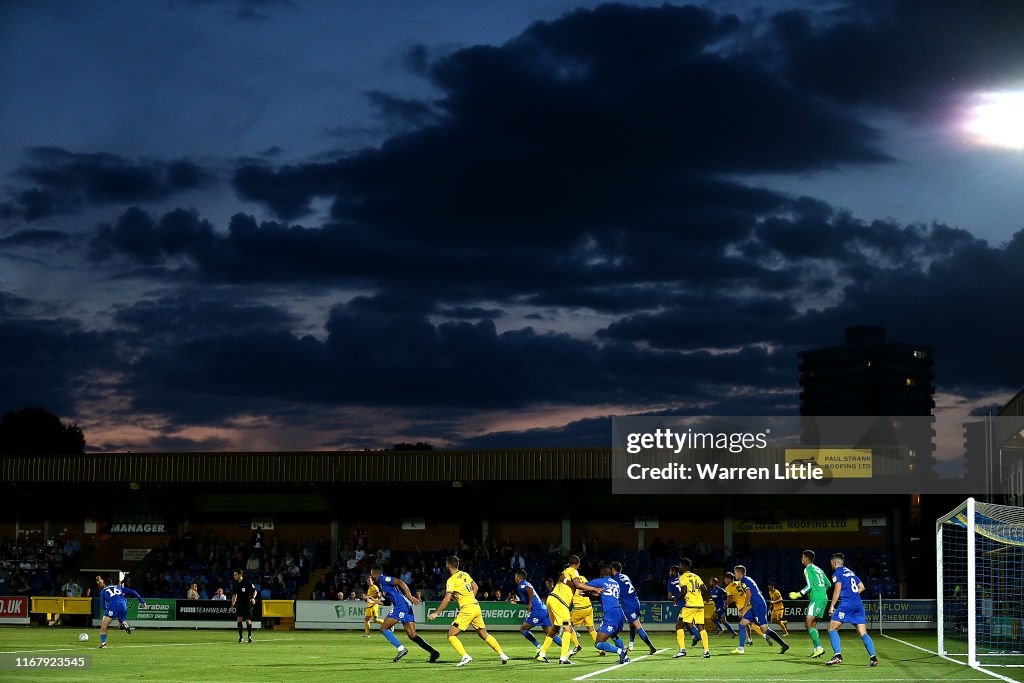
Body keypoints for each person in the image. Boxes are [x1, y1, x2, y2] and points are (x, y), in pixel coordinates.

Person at [427, 556, 509, 667]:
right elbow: (475, 587)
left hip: (467, 609)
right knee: (484, 635)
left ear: (448, 565)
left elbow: (447, 598)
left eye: (446, 563)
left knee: (451, 635)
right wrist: (470, 599)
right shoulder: (465, 574)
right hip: (475, 606)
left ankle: (465, 656)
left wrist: (436, 613)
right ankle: (502, 654)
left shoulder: (451, 580)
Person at [369, 566, 440, 663]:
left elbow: (400, 582)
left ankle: (401, 649)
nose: (370, 576)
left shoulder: (383, 579)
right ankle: (433, 652)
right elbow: (387, 603)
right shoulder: (381, 586)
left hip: (401, 606)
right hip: (405, 606)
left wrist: (410, 597)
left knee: (383, 628)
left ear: (374, 573)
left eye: (371, 574)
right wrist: (375, 602)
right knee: (412, 635)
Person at [825, 553, 878, 668]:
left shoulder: (837, 573)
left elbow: (837, 590)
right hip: (858, 605)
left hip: (846, 605)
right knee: (863, 633)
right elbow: (862, 587)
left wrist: (832, 606)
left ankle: (838, 656)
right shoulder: (851, 572)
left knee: (832, 628)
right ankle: (873, 658)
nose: (831, 565)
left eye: (831, 563)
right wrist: (853, 595)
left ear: (834, 563)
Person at [537, 555, 592, 664]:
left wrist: (568, 582)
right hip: (560, 603)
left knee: (555, 629)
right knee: (568, 629)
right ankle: (563, 658)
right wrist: (594, 589)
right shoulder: (574, 571)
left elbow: (569, 582)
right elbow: (578, 584)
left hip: (551, 599)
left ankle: (542, 654)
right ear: (578, 564)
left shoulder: (565, 572)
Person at [730, 565, 788, 655]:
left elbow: (748, 594)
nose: (734, 574)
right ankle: (741, 648)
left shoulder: (744, 581)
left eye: (735, 572)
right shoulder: (748, 579)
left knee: (764, 629)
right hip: (755, 605)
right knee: (742, 624)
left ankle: (783, 644)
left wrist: (743, 609)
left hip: (758, 606)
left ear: (739, 573)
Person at [586, 565, 630, 664]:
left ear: (602, 574)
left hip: (611, 613)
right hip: (619, 612)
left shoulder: (600, 581)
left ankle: (621, 652)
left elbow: (584, 585)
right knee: (614, 635)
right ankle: (625, 657)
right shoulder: (615, 583)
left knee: (598, 643)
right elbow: (607, 596)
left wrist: (589, 591)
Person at [610, 561, 656, 654]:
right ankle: (631, 644)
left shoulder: (615, 580)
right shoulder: (625, 576)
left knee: (637, 626)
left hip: (628, 604)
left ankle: (651, 647)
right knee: (632, 624)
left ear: (613, 569)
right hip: (636, 601)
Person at [511, 569, 562, 653]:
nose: (515, 579)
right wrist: (517, 602)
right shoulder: (526, 584)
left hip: (537, 612)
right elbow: (526, 599)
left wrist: (530, 604)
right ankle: (567, 650)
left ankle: (539, 646)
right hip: (543, 610)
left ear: (519, 578)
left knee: (523, 629)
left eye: (515, 577)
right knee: (550, 634)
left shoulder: (522, 585)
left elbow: (529, 589)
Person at [788, 550, 828, 657]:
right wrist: (820, 590)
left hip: (816, 599)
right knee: (813, 624)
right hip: (824, 598)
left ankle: (819, 648)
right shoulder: (819, 569)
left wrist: (798, 594)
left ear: (806, 558)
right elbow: (828, 584)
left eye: (802, 557)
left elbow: (809, 586)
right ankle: (816, 650)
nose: (801, 559)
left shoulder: (807, 569)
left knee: (808, 624)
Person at [673, 558, 711, 658]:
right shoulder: (696, 576)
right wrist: (706, 598)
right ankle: (706, 651)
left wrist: (677, 599)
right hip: (699, 605)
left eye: (680, 566)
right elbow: (705, 589)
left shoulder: (683, 577)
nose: (679, 568)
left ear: (684, 566)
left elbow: (684, 591)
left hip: (690, 605)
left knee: (679, 626)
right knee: (701, 628)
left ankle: (682, 650)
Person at [97, 574, 146, 649]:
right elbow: (132, 591)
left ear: (104, 583)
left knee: (103, 626)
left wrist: (110, 609)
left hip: (113, 606)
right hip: (123, 604)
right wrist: (142, 601)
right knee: (120, 623)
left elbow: (103, 606)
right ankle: (124, 625)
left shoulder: (103, 591)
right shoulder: (118, 587)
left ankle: (103, 644)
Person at [668, 565, 703, 645]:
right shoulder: (684, 577)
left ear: (673, 572)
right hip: (692, 601)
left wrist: (675, 599)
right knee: (687, 622)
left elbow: (669, 596)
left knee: (682, 625)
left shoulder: (671, 581)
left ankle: (701, 640)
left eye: (670, 571)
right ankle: (694, 637)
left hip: (684, 604)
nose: (669, 573)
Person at [571, 570, 598, 650]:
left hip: (579, 608)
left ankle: (577, 645)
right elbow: (588, 587)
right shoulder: (582, 578)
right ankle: (601, 648)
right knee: (591, 629)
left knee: (567, 625)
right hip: (588, 607)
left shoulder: (570, 582)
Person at [230, 569, 257, 643]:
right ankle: (241, 637)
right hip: (239, 604)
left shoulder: (247, 582)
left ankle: (249, 636)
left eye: (235, 574)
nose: (234, 576)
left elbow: (255, 590)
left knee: (248, 621)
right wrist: (232, 605)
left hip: (247, 603)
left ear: (240, 575)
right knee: (239, 619)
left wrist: (253, 598)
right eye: (234, 574)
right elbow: (234, 595)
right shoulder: (235, 584)